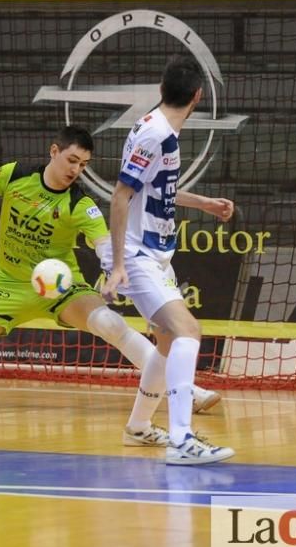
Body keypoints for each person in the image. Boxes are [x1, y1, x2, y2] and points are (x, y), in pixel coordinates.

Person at [0, 125, 218, 452]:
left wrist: (117, 270)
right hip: (9, 286)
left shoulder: (81, 204)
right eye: (71, 160)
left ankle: (187, 391)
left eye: (83, 164)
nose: (75, 169)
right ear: (54, 151)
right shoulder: (15, 175)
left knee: (110, 324)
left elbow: (106, 248)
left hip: (62, 288)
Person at [101, 56, 236, 465]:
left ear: (162, 89)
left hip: (155, 254)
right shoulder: (156, 135)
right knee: (187, 332)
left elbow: (153, 190)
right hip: (138, 254)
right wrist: (121, 262)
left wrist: (204, 204)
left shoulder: (159, 131)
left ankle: (139, 427)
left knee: (165, 339)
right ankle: (181, 439)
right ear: (197, 97)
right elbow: (120, 195)